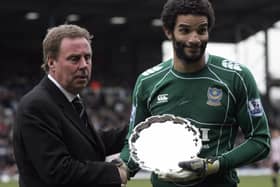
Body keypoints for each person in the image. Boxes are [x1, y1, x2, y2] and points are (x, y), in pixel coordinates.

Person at [120, 0, 271, 186]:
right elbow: (134, 140)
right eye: (184, 30)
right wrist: (124, 168)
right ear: (169, 31)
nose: (194, 39)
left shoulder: (236, 77)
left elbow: (260, 141)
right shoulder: (147, 82)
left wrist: (211, 166)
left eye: (202, 30)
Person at [13, 24, 128, 187]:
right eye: (74, 58)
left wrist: (139, 131)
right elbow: (58, 171)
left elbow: (89, 145)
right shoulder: (36, 105)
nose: (84, 65)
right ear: (51, 62)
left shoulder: (70, 99)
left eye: (87, 57)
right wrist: (114, 173)